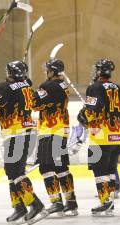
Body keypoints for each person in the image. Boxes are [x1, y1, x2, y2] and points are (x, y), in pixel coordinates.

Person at [78, 59, 120, 216]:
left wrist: (83, 115)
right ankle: (110, 201)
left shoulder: (94, 87)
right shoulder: (117, 88)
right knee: (110, 170)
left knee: (99, 172)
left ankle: (105, 202)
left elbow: (92, 112)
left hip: (101, 138)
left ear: (100, 72)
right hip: (117, 137)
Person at [0, 60, 47, 225]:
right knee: (14, 172)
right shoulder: (27, 86)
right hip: (28, 133)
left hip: (16, 134)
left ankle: (35, 205)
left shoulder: (6, 87)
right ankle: (19, 207)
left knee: (14, 172)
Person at [32, 58, 78, 216]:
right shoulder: (63, 84)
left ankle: (56, 203)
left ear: (52, 71)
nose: (46, 72)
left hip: (50, 131)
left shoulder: (47, 85)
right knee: (61, 167)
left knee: (45, 167)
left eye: (47, 70)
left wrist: (29, 88)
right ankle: (71, 203)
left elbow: (34, 104)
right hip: (62, 130)